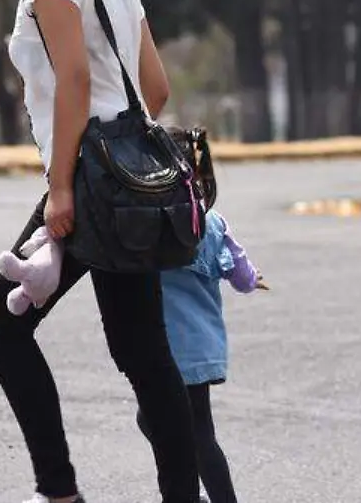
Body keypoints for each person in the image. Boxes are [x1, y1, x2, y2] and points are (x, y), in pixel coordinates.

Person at [0, 0, 198, 503]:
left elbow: (72, 77)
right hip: (135, 173)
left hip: (87, 176)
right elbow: (155, 88)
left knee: (0, 327)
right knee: (145, 354)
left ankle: (59, 491)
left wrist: (62, 187)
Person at [137, 209, 262, 503]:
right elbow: (242, 277)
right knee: (176, 425)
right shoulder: (214, 222)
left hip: (169, 347)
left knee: (191, 431)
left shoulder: (148, 217)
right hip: (201, 345)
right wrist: (253, 279)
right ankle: (190, 489)